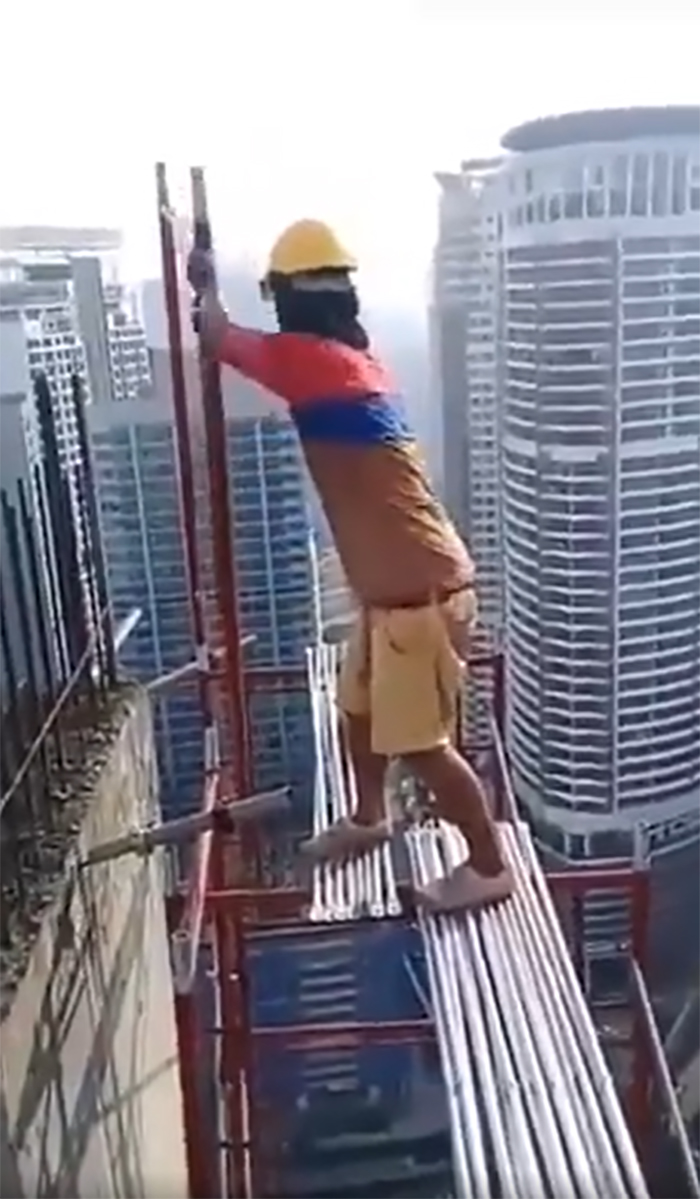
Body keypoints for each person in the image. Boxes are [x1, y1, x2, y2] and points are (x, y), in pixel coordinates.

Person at [187, 220, 513, 913]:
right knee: (358, 714)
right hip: (397, 595)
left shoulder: (318, 363)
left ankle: (488, 864)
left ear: (291, 301)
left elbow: (217, 336)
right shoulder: (352, 363)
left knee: (424, 747)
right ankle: (370, 815)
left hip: (418, 600)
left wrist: (206, 279)